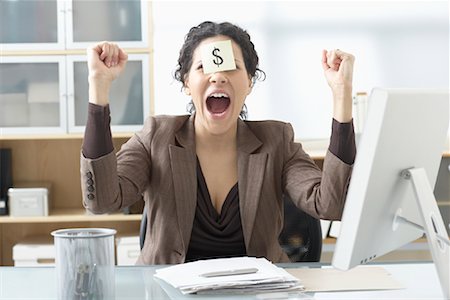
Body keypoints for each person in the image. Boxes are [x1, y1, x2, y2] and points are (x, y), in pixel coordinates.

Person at [80, 21, 356, 265]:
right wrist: (98, 89)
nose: (218, 76)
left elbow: (330, 205)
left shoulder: (277, 141)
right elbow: (101, 201)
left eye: (232, 67)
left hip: (256, 292)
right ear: (187, 82)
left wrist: (342, 95)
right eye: (203, 67)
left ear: (249, 82)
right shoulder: (157, 136)